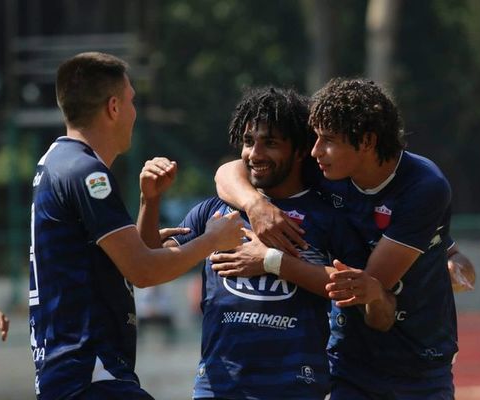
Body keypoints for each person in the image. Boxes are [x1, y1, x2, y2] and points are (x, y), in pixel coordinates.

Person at [214, 78, 475, 399]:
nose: (314, 150)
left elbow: (365, 284)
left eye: (328, 140)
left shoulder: (423, 186)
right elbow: (229, 171)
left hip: (419, 359)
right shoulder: (327, 166)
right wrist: (255, 205)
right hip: (349, 361)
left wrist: (270, 261)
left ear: (366, 141)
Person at [138, 86, 394, 400]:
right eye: (248, 142)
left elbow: (366, 293)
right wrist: (149, 202)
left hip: (295, 387)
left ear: (300, 150)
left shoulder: (329, 218)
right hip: (218, 387)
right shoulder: (214, 210)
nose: (254, 154)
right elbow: (149, 265)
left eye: (270, 143)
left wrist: (272, 262)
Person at [28, 52, 244, 400]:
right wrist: (212, 239)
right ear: (113, 107)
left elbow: (122, 261)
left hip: (70, 372)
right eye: (132, 101)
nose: (134, 112)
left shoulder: (55, 160)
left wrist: (149, 202)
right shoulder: (88, 173)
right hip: (91, 373)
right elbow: (143, 271)